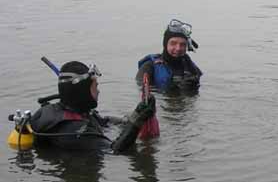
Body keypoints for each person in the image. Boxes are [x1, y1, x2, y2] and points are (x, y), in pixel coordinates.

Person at [27, 61, 156, 153]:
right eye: (95, 87)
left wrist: (132, 116)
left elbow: (104, 121)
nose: (98, 91)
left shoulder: (68, 110)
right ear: (82, 92)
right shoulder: (74, 131)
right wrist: (135, 123)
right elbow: (115, 150)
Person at [137, 19, 202, 91]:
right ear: (165, 44)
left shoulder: (190, 66)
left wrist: (193, 89)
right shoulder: (149, 66)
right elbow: (141, 90)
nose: (178, 48)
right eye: (173, 43)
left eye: (182, 44)